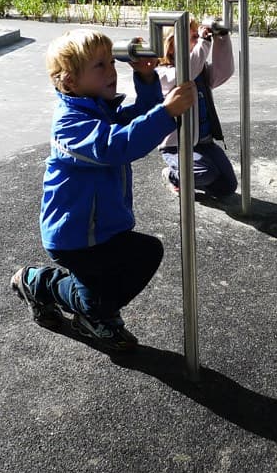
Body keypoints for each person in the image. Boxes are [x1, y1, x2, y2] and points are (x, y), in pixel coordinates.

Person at [10, 29, 197, 351]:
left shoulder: (101, 109)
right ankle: (42, 284)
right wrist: (167, 113)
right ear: (69, 82)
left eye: (111, 62)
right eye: (99, 66)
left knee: (138, 258)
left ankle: (95, 309)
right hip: (75, 237)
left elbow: (138, 117)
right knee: (113, 282)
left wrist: (147, 79)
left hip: (103, 228)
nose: (111, 71)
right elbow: (116, 146)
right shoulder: (70, 125)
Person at [158, 18, 237, 199]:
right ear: (171, 46)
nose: (198, 39)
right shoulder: (163, 74)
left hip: (204, 142)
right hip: (176, 146)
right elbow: (186, 73)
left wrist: (221, 38)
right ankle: (172, 176)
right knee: (205, 172)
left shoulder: (198, 69)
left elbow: (223, 72)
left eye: (197, 36)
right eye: (192, 37)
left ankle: (192, 175)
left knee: (227, 187)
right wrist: (204, 42)